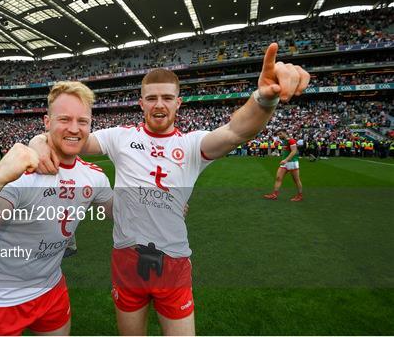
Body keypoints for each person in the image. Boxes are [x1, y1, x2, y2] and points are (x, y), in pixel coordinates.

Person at [30, 43, 310, 335]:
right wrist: (39, 141)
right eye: (151, 98)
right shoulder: (119, 138)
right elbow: (69, 138)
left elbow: (237, 131)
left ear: (179, 103)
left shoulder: (191, 145)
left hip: (173, 261)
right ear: (141, 103)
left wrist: (263, 99)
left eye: (167, 98)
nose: (159, 104)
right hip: (126, 259)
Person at [0, 81, 113, 336]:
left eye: (82, 121)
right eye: (64, 119)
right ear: (47, 122)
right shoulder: (23, 176)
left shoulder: (94, 177)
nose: (75, 128)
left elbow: (120, 212)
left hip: (51, 289)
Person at [263, 129, 303, 201]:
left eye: (280, 134)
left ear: (285, 133)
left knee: (296, 180)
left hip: (292, 162)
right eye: (278, 134)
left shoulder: (291, 140)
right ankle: (274, 195)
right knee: (278, 178)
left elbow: (294, 151)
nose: (279, 136)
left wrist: (286, 160)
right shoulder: (284, 141)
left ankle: (300, 196)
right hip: (285, 163)